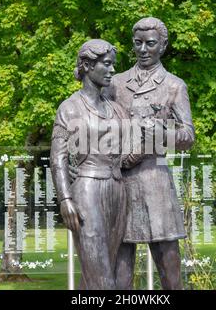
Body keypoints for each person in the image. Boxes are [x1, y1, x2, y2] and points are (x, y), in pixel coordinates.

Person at [109, 17, 195, 289]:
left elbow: (188, 136)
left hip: (155, 182)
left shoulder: (174, 86)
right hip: (121, 182)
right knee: (120, 267)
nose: (143, 49)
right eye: (138, 43)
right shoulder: (116, 83)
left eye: (150, 43)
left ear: (163, 46)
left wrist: (157, 137)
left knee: (169, 266)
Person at [50, 39, 134, 289]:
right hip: (87, 191)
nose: (112, 71)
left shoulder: (117, 109)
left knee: (115, 274)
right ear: (87, 65)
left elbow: (129, 152)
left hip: (118, 191)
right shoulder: (70, 108)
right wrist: (65, 199)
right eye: (106, 65)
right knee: (100, 277)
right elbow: (58, 158)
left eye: (113, 65)